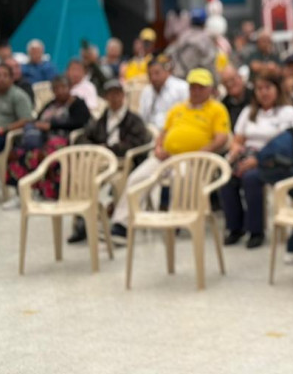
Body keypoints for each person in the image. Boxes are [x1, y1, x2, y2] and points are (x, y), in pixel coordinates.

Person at [109, 68, 230, 244]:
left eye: (201, 87)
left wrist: (198, 153)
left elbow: (221, 138)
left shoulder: (217, 109)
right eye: (193, 87)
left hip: (193, 159)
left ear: (210, 89)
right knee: (137, 178)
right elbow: (163, 133)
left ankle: (178, 219)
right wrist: (158, 148)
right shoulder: (178, 109)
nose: (196, 91)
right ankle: (121, 224)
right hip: (165, 157)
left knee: (179, 176)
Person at [221, 73, 293, 249]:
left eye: (268, 88)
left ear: (277, 89)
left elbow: (290, 142)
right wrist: (236, 148)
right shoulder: (249, 112)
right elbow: (238, 138)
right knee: (227, 179)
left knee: (251, 178)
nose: (263, 93)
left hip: (273, 161)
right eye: (259, 89)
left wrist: (258, 159)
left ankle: (256, 231)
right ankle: (235, 227)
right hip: (247, 154)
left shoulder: (287, 112)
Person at [68, 80, 151, 244]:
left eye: (117, 94)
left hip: (124, 162)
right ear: (106, 97)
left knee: (93, 171)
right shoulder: (101, 119)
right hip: (100, 160)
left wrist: (110, 149)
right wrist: (96, 148)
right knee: (81, 173)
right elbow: (83, 136)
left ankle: (112, 220)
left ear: (123, 96)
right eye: (110, 94)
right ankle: (82, 218)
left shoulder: (133, 119)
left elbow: (138, 143)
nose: (114, 98)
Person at [5, 75, 90, 201]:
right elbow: (38, 118)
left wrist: (51, 126)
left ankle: (47, 191)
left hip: (63, 139)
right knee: (17, 153)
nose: (60, 91)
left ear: (69, 88)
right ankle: (22, 192)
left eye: (63, 87)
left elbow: (80, 123)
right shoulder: (50, 104)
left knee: (41, 155)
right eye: (56, 88)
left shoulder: (77, 104)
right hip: (43, 138)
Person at [0, 62, 33, 159]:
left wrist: (4, 129)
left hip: (5, 135)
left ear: (12, 79)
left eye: (5, 75)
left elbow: (26, 120)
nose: (1, 79)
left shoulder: (19, 96)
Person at [139, 56, 189, 129]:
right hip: (149, 132)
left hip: (173, 130)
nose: (153, 78)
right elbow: (142, 117)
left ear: (167, 72)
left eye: (157, 73)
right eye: (150, 74)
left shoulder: (182, 88)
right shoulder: (147, 91)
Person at [170, 9, 217, 79]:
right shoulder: (207, 37)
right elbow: (211, 59)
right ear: (204, 22)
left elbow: (171, 54)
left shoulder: (183, 35)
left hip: (180, 76)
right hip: (200, 79)